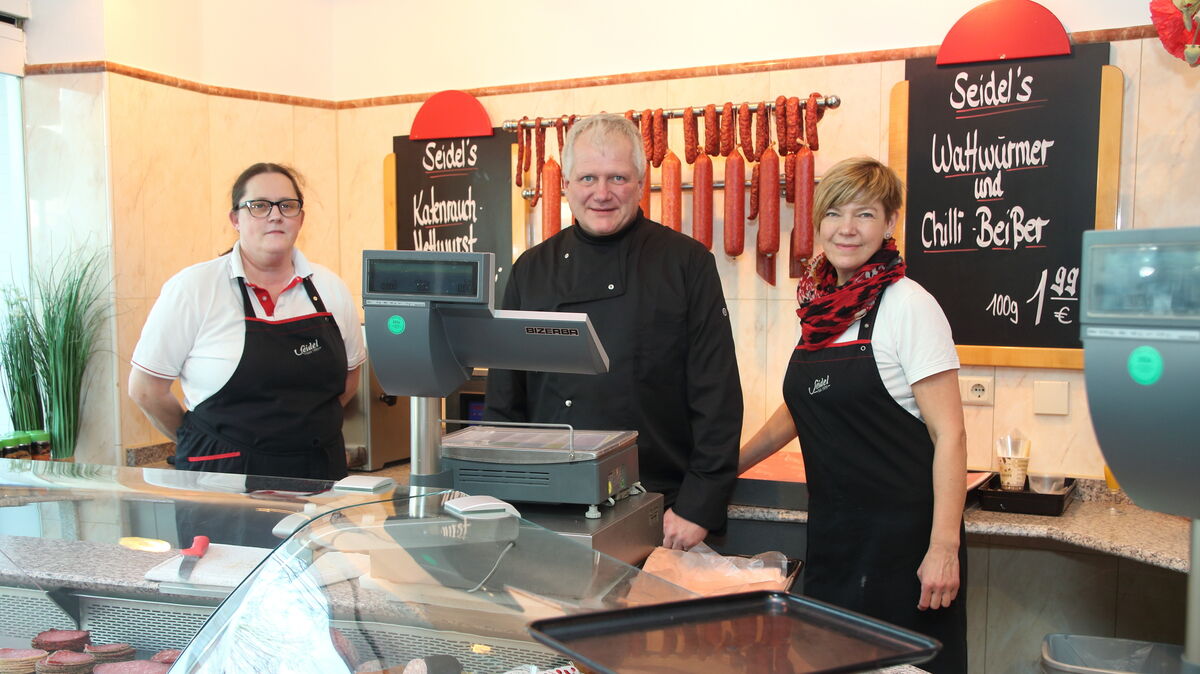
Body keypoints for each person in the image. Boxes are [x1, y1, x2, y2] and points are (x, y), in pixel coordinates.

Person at [739, 157, 967, 671]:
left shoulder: (909, 305)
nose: (846, 228)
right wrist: (728, 465)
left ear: (890, 224)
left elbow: (950, 434)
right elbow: (805, 405)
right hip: (835, 538)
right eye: (834, 213)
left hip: (902, 549)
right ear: (817, 223)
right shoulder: (823, 308)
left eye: (864, 214)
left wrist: (943, 549)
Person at [484, 114, 743, 550]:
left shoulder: (686, 264)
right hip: (547, 506)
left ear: (641, 183)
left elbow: (717, 396)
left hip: (660, 512)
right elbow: (504, 401)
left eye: (617, 178)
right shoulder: (532, 269)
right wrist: (505, 495)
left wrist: (698, 508)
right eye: (587, 177)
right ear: (565, 184)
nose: (601, 193)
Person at [129, 162, 365, 481]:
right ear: (235, 219)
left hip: (318, 474)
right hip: (222, 479)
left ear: (301, 218)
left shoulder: (330, 287)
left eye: (287, 205)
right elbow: (145, 390)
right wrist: (204, 440)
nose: (275, 215)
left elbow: (349, 380)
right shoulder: (194, 288)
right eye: (259, 206)